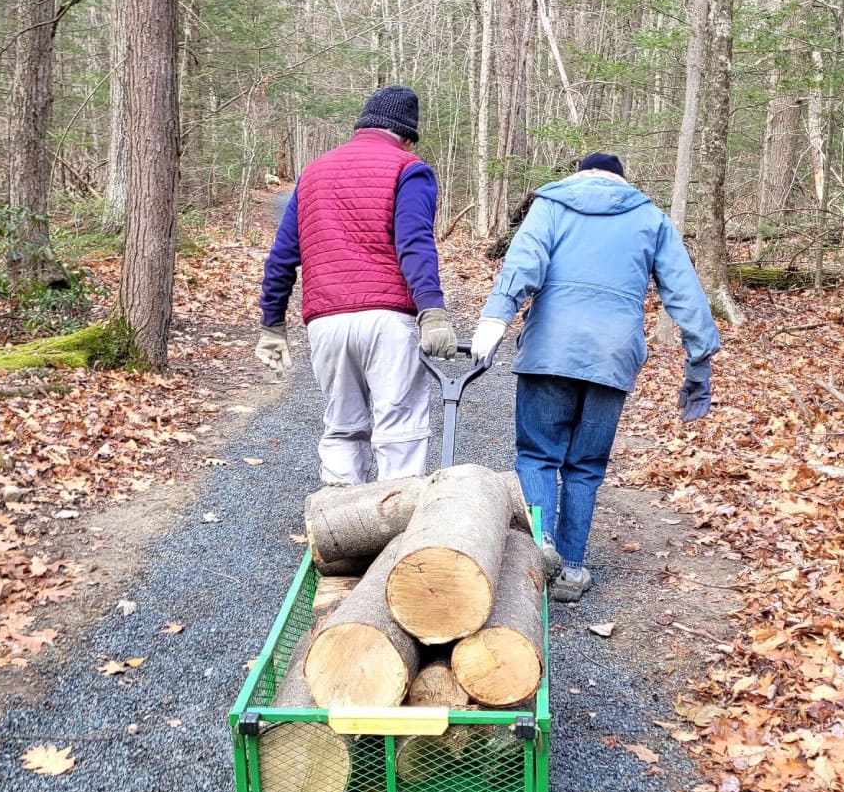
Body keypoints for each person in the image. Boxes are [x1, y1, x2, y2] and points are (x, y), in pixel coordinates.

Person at [470, 152, 720, 602]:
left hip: (550, 348)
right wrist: (699, 357)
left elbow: (524, 264)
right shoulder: (649, 218)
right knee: (585, 467)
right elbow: (684, 290)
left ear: (580, 174)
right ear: (620, 180)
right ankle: (569, 569)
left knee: (538, 454)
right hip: (613, 356)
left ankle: (537, 550)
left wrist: (495, 319)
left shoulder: (553, 205)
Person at [256, 85, 458, 485]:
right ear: (406, 136)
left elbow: (282, 255)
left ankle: (341, 530)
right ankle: (392, 530)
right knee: (399, 431)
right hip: (388, 321)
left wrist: (272, 324)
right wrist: (432, 311)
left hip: (326, 323)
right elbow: (414, 244)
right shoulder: (409, 168)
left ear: (363, 124)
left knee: (343, 427)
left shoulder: (313, 172)